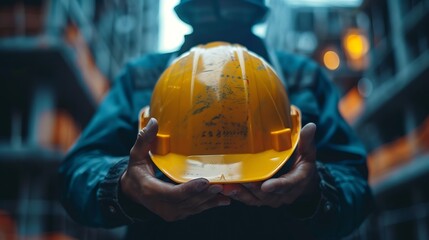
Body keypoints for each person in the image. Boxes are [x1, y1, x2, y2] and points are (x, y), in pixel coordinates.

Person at [59, 0, 373, 239]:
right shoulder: (140, 78)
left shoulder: (304, 77)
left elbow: (357, 185)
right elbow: (75, 176)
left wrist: (313, 189)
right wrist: (126, 187)